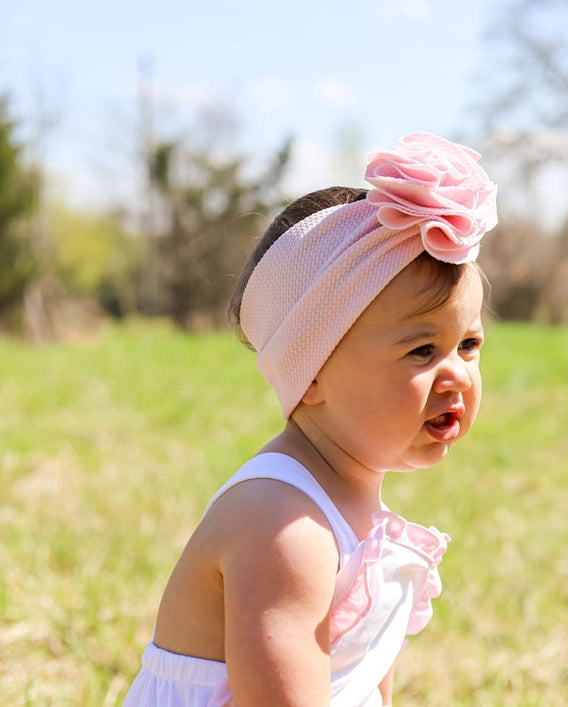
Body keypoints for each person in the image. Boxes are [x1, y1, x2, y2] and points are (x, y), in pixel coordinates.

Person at [124, 132, 498, 706]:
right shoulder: (283, 526)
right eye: (422, 351)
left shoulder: (351, 501)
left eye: (468, 344)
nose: (457, 376)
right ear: (313, 372)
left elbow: (362, 681)